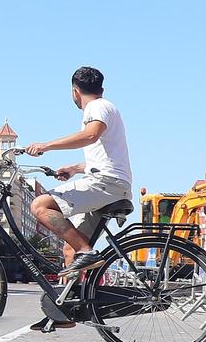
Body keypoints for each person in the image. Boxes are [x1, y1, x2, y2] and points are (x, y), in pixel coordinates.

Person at [24, 66, 131, 282]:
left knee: (40, 205)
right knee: (70, 251)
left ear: (75, 91)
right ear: (101, 87)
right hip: (110, 184)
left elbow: (90, 136)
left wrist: (47, 145)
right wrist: (74, 169)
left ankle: (88, 252)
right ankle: (69, 312)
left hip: (105, 184)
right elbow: (103, 157)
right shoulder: (106, 107)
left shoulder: (96, 107)